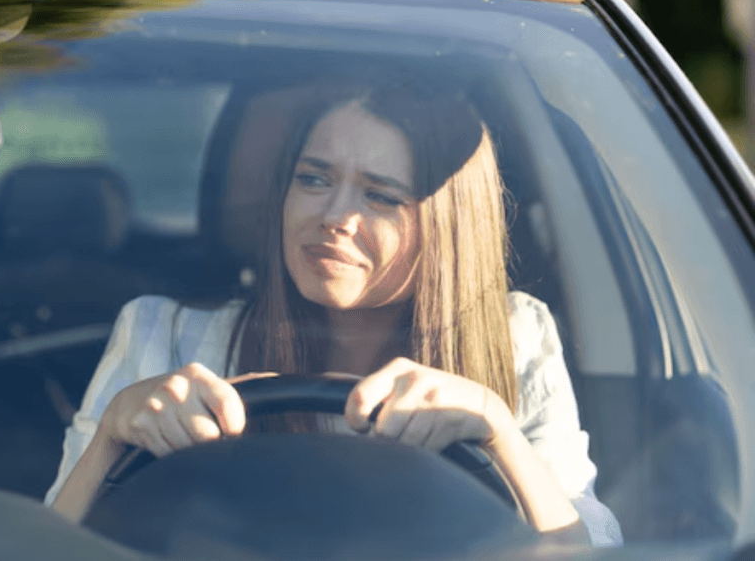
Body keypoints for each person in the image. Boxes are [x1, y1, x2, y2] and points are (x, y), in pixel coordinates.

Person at [45, 77, 622, 546]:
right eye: (314, 179)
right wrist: (111, 438)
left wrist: (497, 430)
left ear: (445, 229)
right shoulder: (162, 337)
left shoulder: (516, 337)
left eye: (381, 195)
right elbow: (41, 548)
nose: (336, 216)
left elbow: (584, 550)